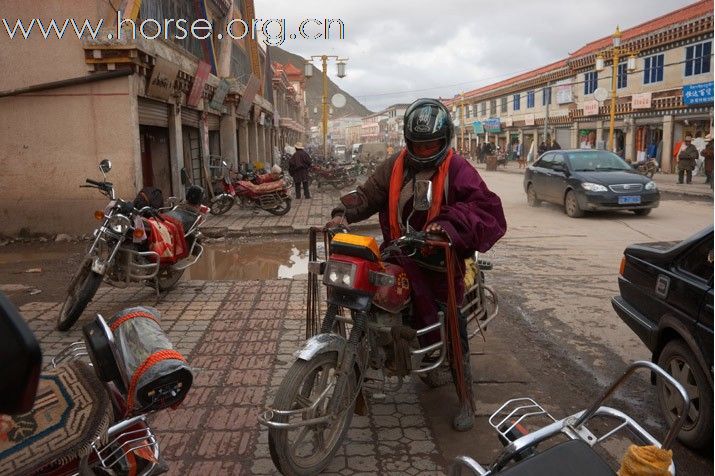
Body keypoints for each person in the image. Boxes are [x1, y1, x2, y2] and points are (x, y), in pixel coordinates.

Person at [326, 98, 507, 432]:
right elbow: (369, 194)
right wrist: (343, 213)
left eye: (432, 145)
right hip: (398, 251)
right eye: (418, 145)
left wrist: (447, 226)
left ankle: (466, 396)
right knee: (366, 291)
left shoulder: (458, 168)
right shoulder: (393, 165)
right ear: (408, 141)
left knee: (452, 321)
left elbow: (484, 208)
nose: (425, 151)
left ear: (444, 140)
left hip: (441, 262)